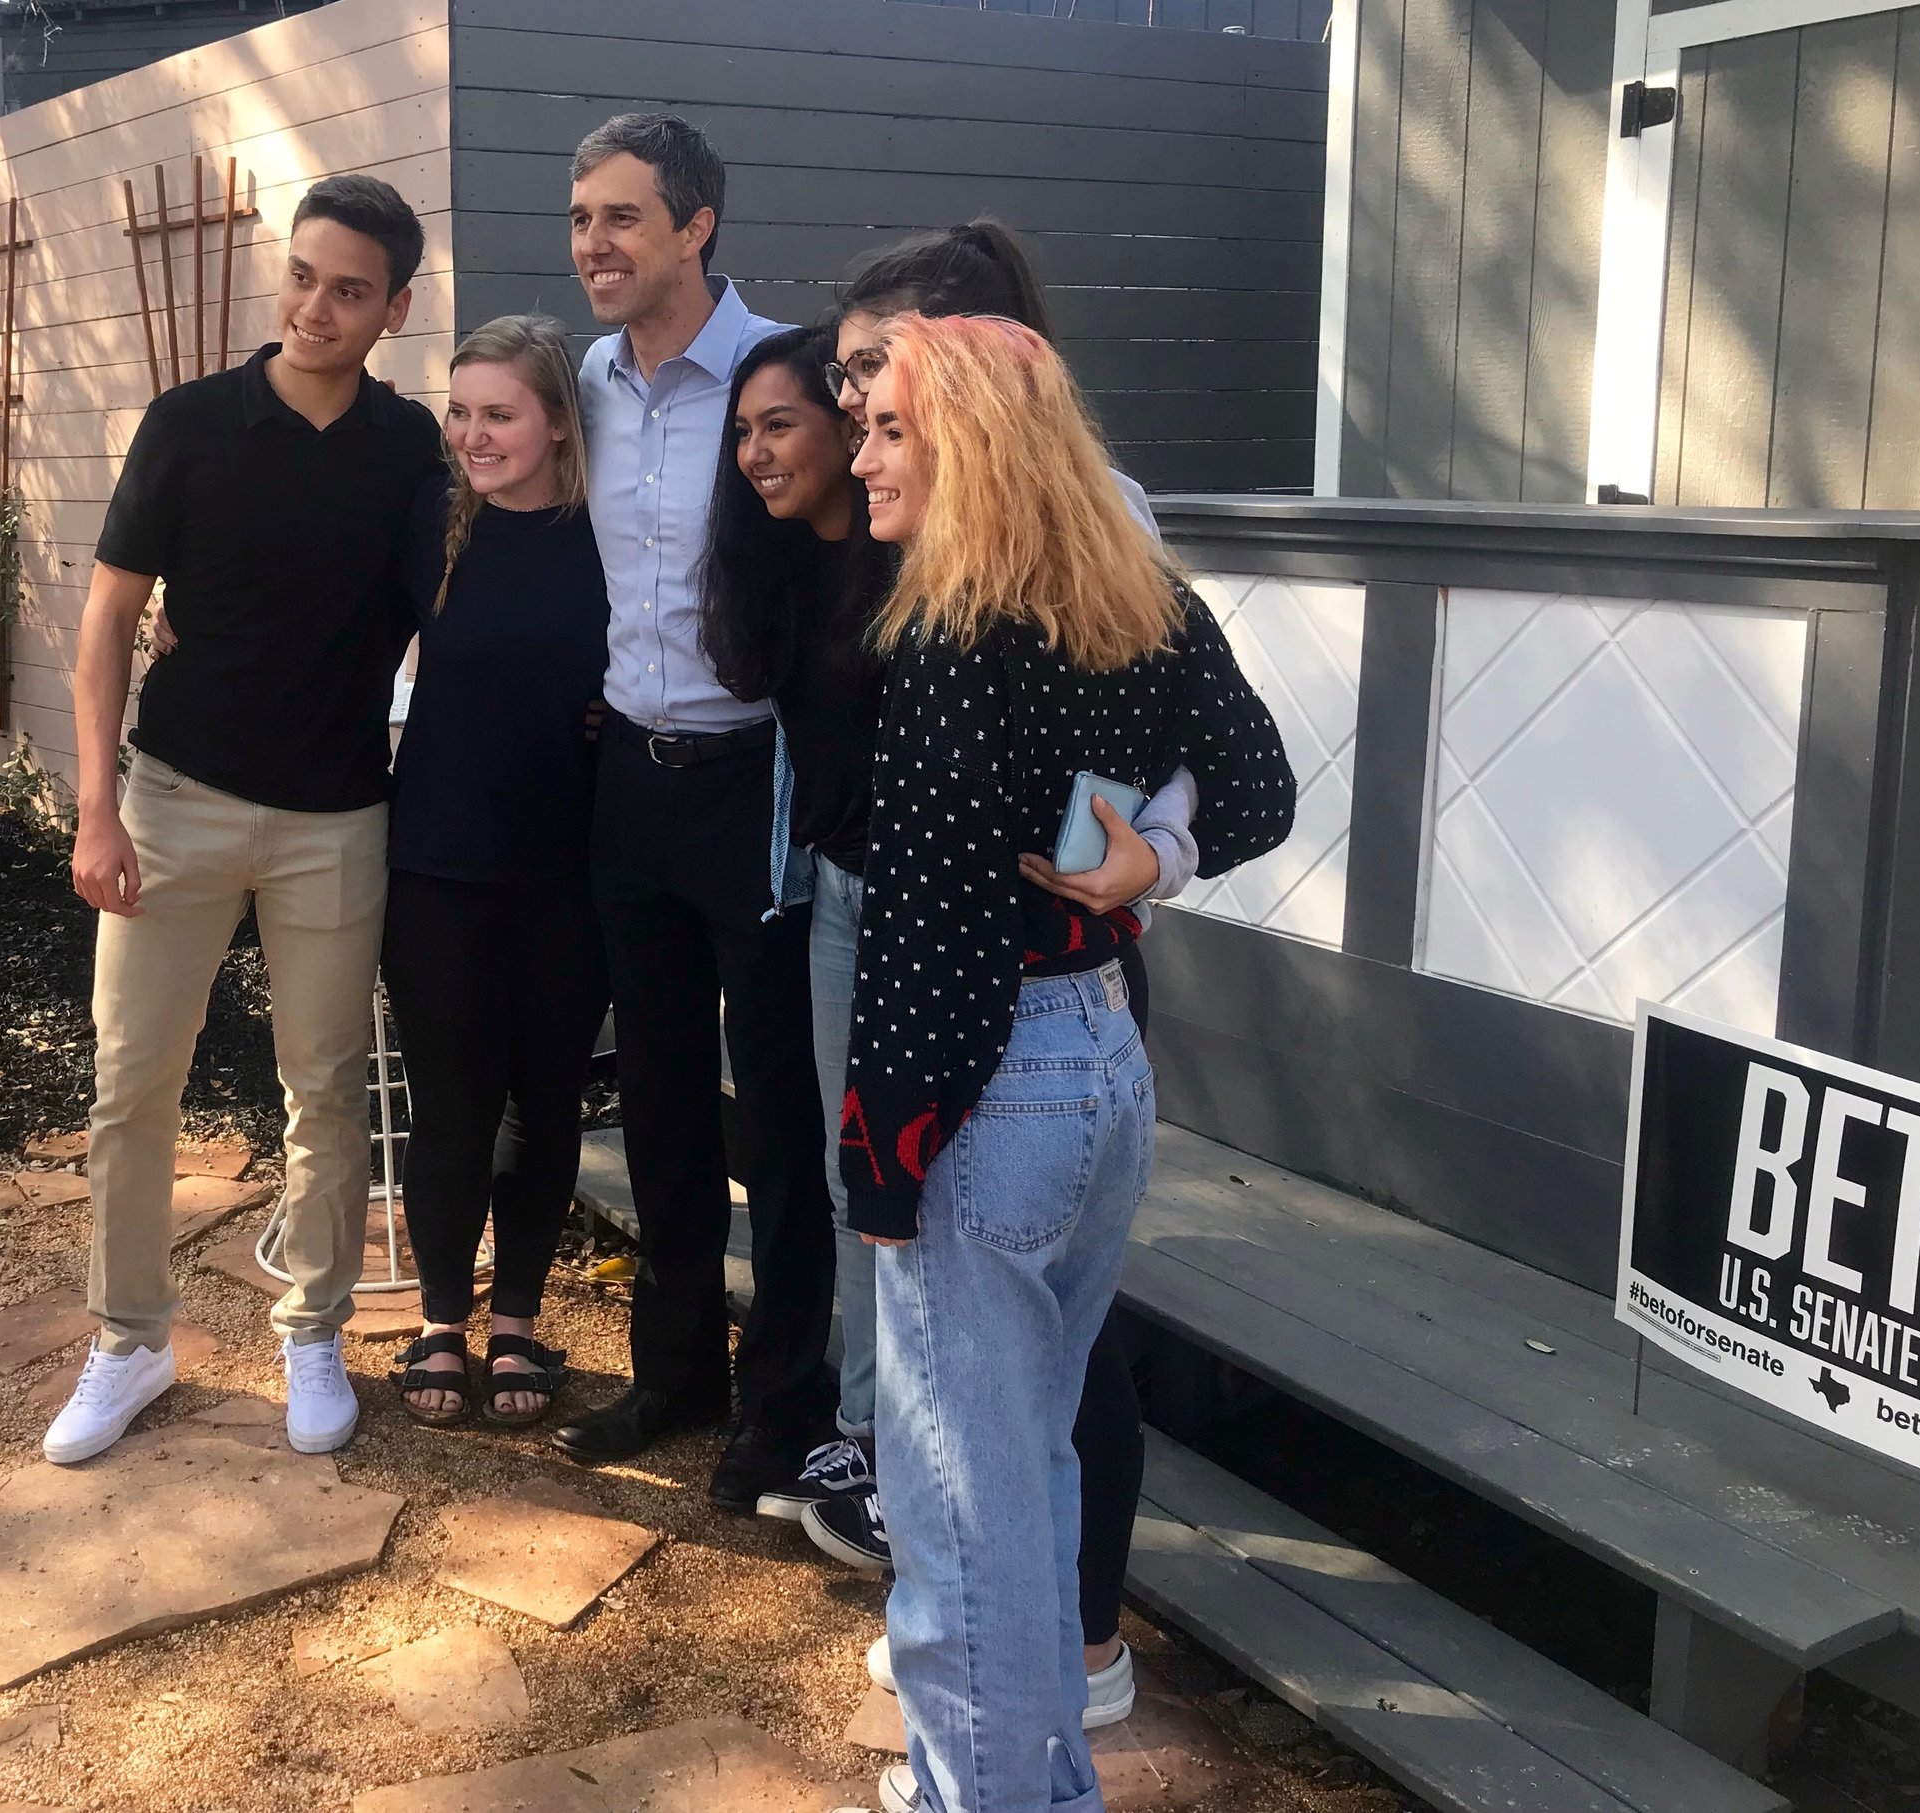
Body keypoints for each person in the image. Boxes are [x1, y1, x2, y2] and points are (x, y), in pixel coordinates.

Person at [835, 314, 1293, 1813]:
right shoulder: (1138, 600)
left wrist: (882, 1158)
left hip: (986, 1086)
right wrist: (1148, 861)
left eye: (892, 428)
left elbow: (932, 931)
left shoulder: (957, 640)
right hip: (1102, 1061)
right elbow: (1260, 783)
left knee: (962, 1507)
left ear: (971, 442)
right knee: (1026, 1470)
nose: (862, 453)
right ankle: (1039, 1790)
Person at [47, 175, 444, 1465]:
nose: (314, 307)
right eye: (302, 276)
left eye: (348, 290)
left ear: (391, 308)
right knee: (130, 1082)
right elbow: (109, 620)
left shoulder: (407, 449)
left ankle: (313, 1327)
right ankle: (129, 1340)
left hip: (338, 818)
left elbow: (441, 621)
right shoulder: (188, 425)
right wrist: (97, 810)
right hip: (173, 799)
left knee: (323, 1089)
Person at [547, 112, 841, 1514]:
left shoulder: (785, 381)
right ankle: (675, 1374)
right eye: (581, 218)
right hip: (630, 786)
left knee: (779, 1113)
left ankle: (785, 1412)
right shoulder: (585, 381)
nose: (593, 244)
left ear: (695, 228)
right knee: (657, 1098)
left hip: (757, 788)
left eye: (621, 218)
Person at [379, 316, 610, 1428]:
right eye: (459, 412)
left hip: (573, 868)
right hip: (437, 861)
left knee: (548, 1099)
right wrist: (188, 621)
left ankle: (515, 1319)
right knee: (453, 1103)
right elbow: (322, 615)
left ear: (558, 424)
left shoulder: (611, 534)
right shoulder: (427, 522)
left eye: (500, 414)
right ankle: (438, 1321)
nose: (472, 434)